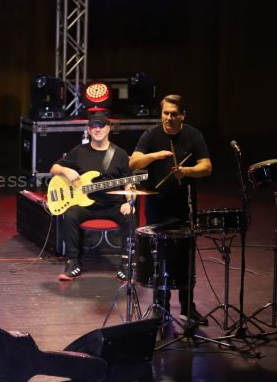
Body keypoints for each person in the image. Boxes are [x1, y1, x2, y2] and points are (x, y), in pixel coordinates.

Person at [129, 94, 211, 326]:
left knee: (186, 259)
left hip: (185, 205)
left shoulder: (193, 135)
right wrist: (154, 156)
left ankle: (187, 308)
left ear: (182, 115)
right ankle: (161, 307)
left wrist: (186, 171)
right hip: (157, 207)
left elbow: (206, 167)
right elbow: (133, 162)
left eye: (174, 114)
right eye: (166, 113)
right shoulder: (151, 135)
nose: (169, 118)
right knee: (159, 259)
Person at [51, 113, 134, 281]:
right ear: (88, 130)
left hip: (113, 205)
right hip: (86, 206)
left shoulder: (119, 154)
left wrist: (130, 202)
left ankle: (126, 262)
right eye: (94, 127)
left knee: (130, 216)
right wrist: (65, 170)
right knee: (70, 214)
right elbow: (53, 168)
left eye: (101, 126)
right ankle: (73, 262)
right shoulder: (78, 151)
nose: (98, 130)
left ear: (108, 128)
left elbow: (129, 183)